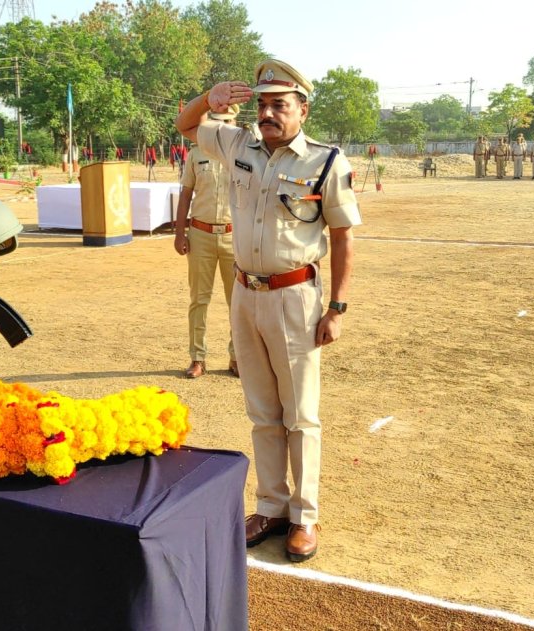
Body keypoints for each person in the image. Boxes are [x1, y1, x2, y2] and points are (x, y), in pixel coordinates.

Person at [175, 59, 361, 562]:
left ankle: (304, 516)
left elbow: (342, 238)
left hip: (295, 297)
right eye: (262, 104)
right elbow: (186, 124)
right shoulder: (237, 145)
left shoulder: (326, 163)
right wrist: (210, 98)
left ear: (302, 109)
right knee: (262, 412)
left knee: (300, 415)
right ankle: (272, 505)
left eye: (280, 104)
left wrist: (337, 308)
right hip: (246, 294)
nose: (268, 113)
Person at [174, 104, 240, 380]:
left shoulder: (242, 154)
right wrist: (180, 233)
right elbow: (186, 194)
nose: (221, 127)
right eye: (217, 121)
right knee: (198, 300)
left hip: (233, 235)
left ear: (234, 122)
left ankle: (237, 357)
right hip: (200, 234)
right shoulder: (196, 153)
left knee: (238, 303)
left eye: (226, 122)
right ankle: (197, 358)